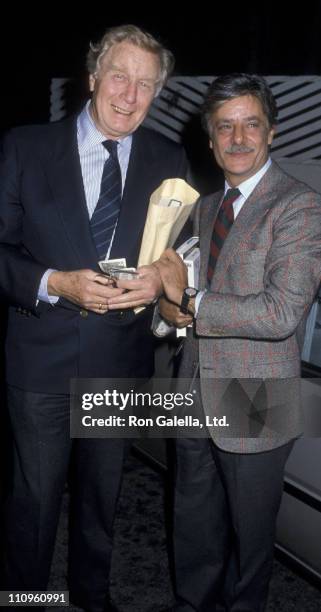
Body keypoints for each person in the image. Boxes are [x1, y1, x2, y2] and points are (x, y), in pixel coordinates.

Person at [108, 73, 321, 611]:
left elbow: (280, 313)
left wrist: (190, 297)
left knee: (250, 537)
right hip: (193, 381)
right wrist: (160, 302)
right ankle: (192, 603)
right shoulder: (204, 206)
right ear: (210, 139)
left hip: (256, 392)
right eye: (225, 127)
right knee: (193, 513)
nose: (238, 138)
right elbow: (184, 299)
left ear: (271, 131)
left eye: (251, 124)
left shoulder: (299, 206)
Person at [0, 24, 187, 611]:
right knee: (34, 502)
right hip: (41, 358)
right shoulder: (24, 147)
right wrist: (54, 282)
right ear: (92, 77)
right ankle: (28, 601)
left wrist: (161, 276)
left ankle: (90, 598)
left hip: (119, 359)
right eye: (119, 77)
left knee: (102, 500)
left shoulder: (168, 157)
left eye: (145, 85)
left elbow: (184, 250)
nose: (130, 96)